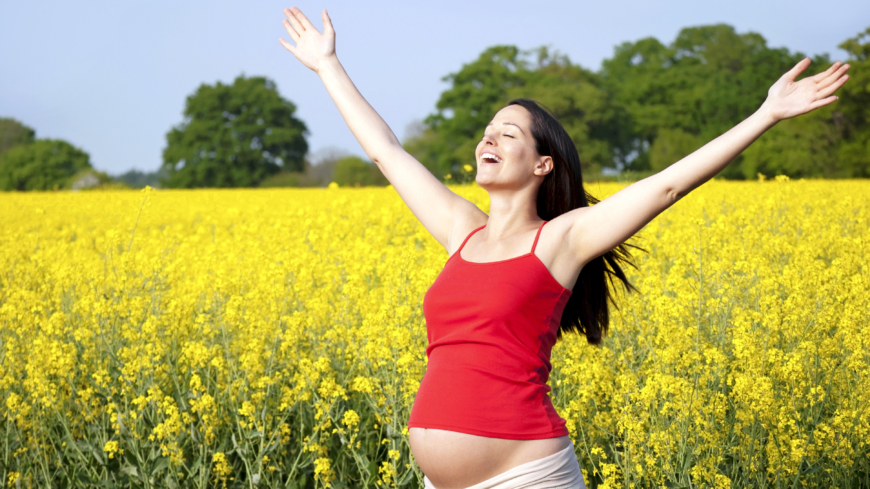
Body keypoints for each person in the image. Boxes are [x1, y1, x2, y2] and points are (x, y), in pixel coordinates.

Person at [278, 7, 850, 488]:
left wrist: (766, 115)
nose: (489, 137)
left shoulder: (562, 239)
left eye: (509, 132)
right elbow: (387, 153)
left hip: (524, 475)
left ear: (542, 163)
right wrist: (328, 65)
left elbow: (669, 185)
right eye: (487, 130)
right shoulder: (461, 230)